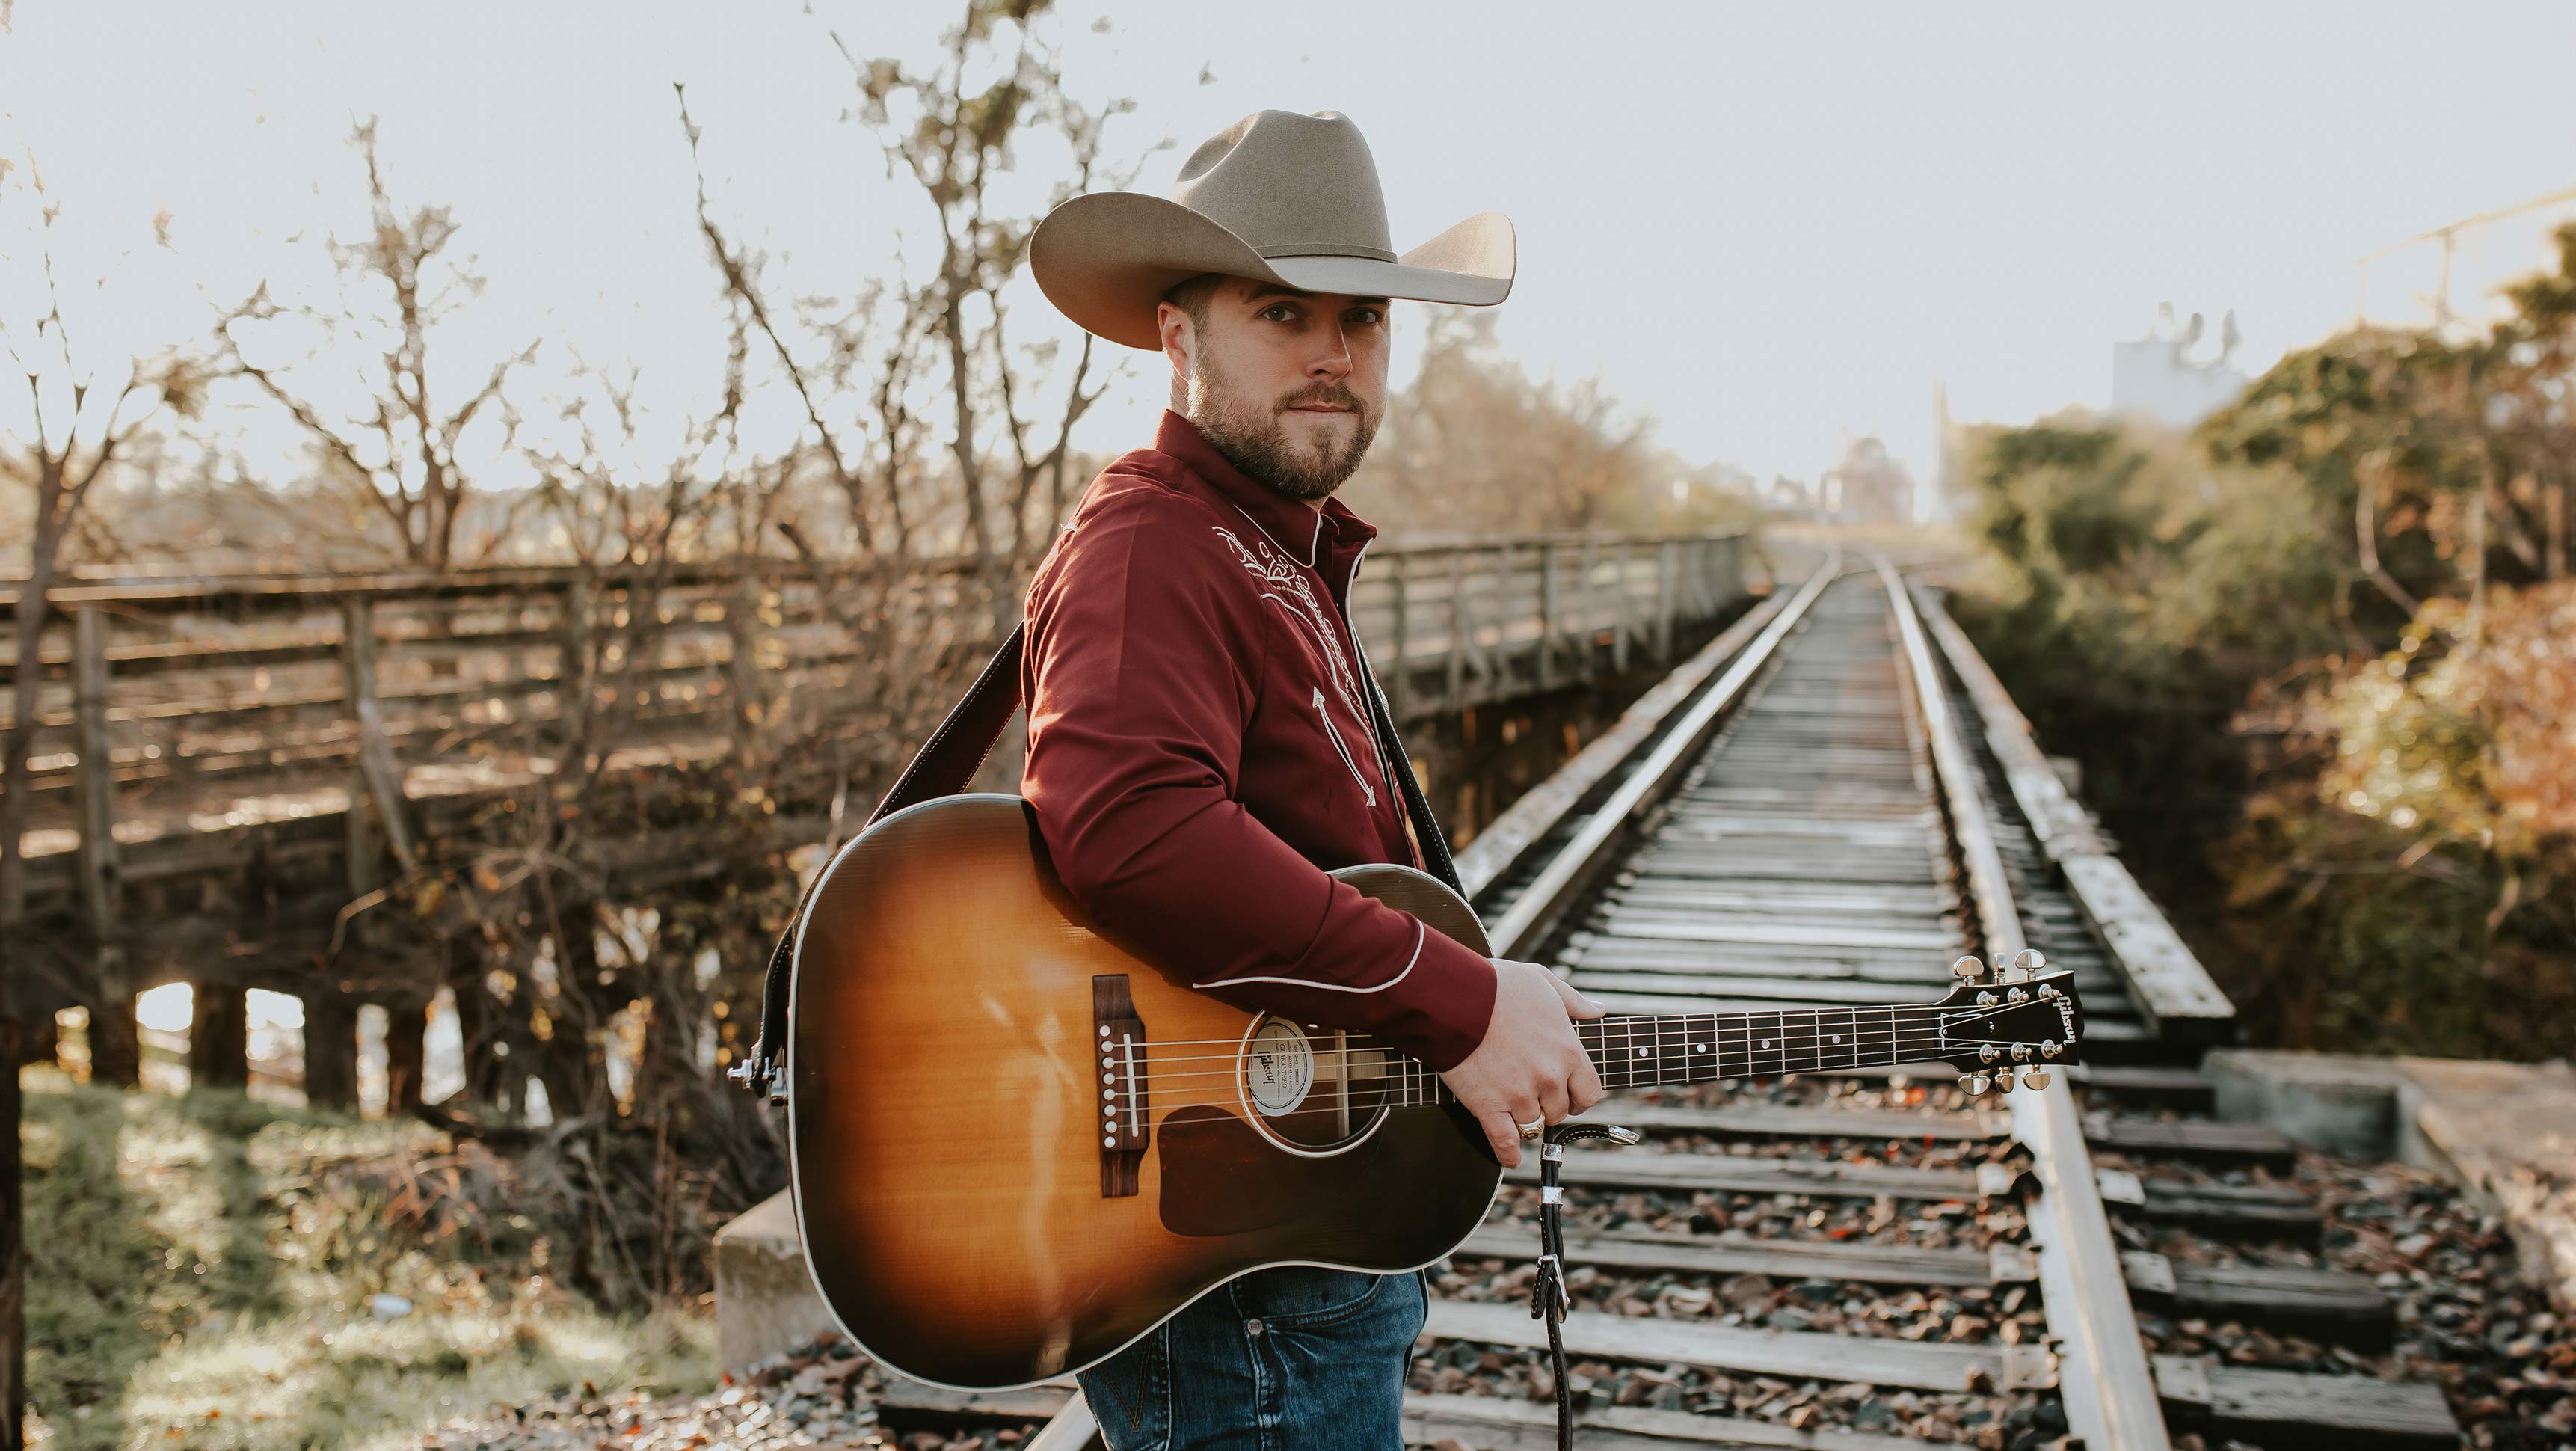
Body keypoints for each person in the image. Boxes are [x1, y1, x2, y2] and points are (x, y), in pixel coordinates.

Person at [1018, 109, 1606, 1451]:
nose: (1334, 355)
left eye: (1364, 319)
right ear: (1178, 336)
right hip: (1249, 1289)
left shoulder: (1262, 548)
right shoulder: (1152, 548)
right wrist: (1459, 1000)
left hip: (1283, 1237)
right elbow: (1132, 835)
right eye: (1282, 312)